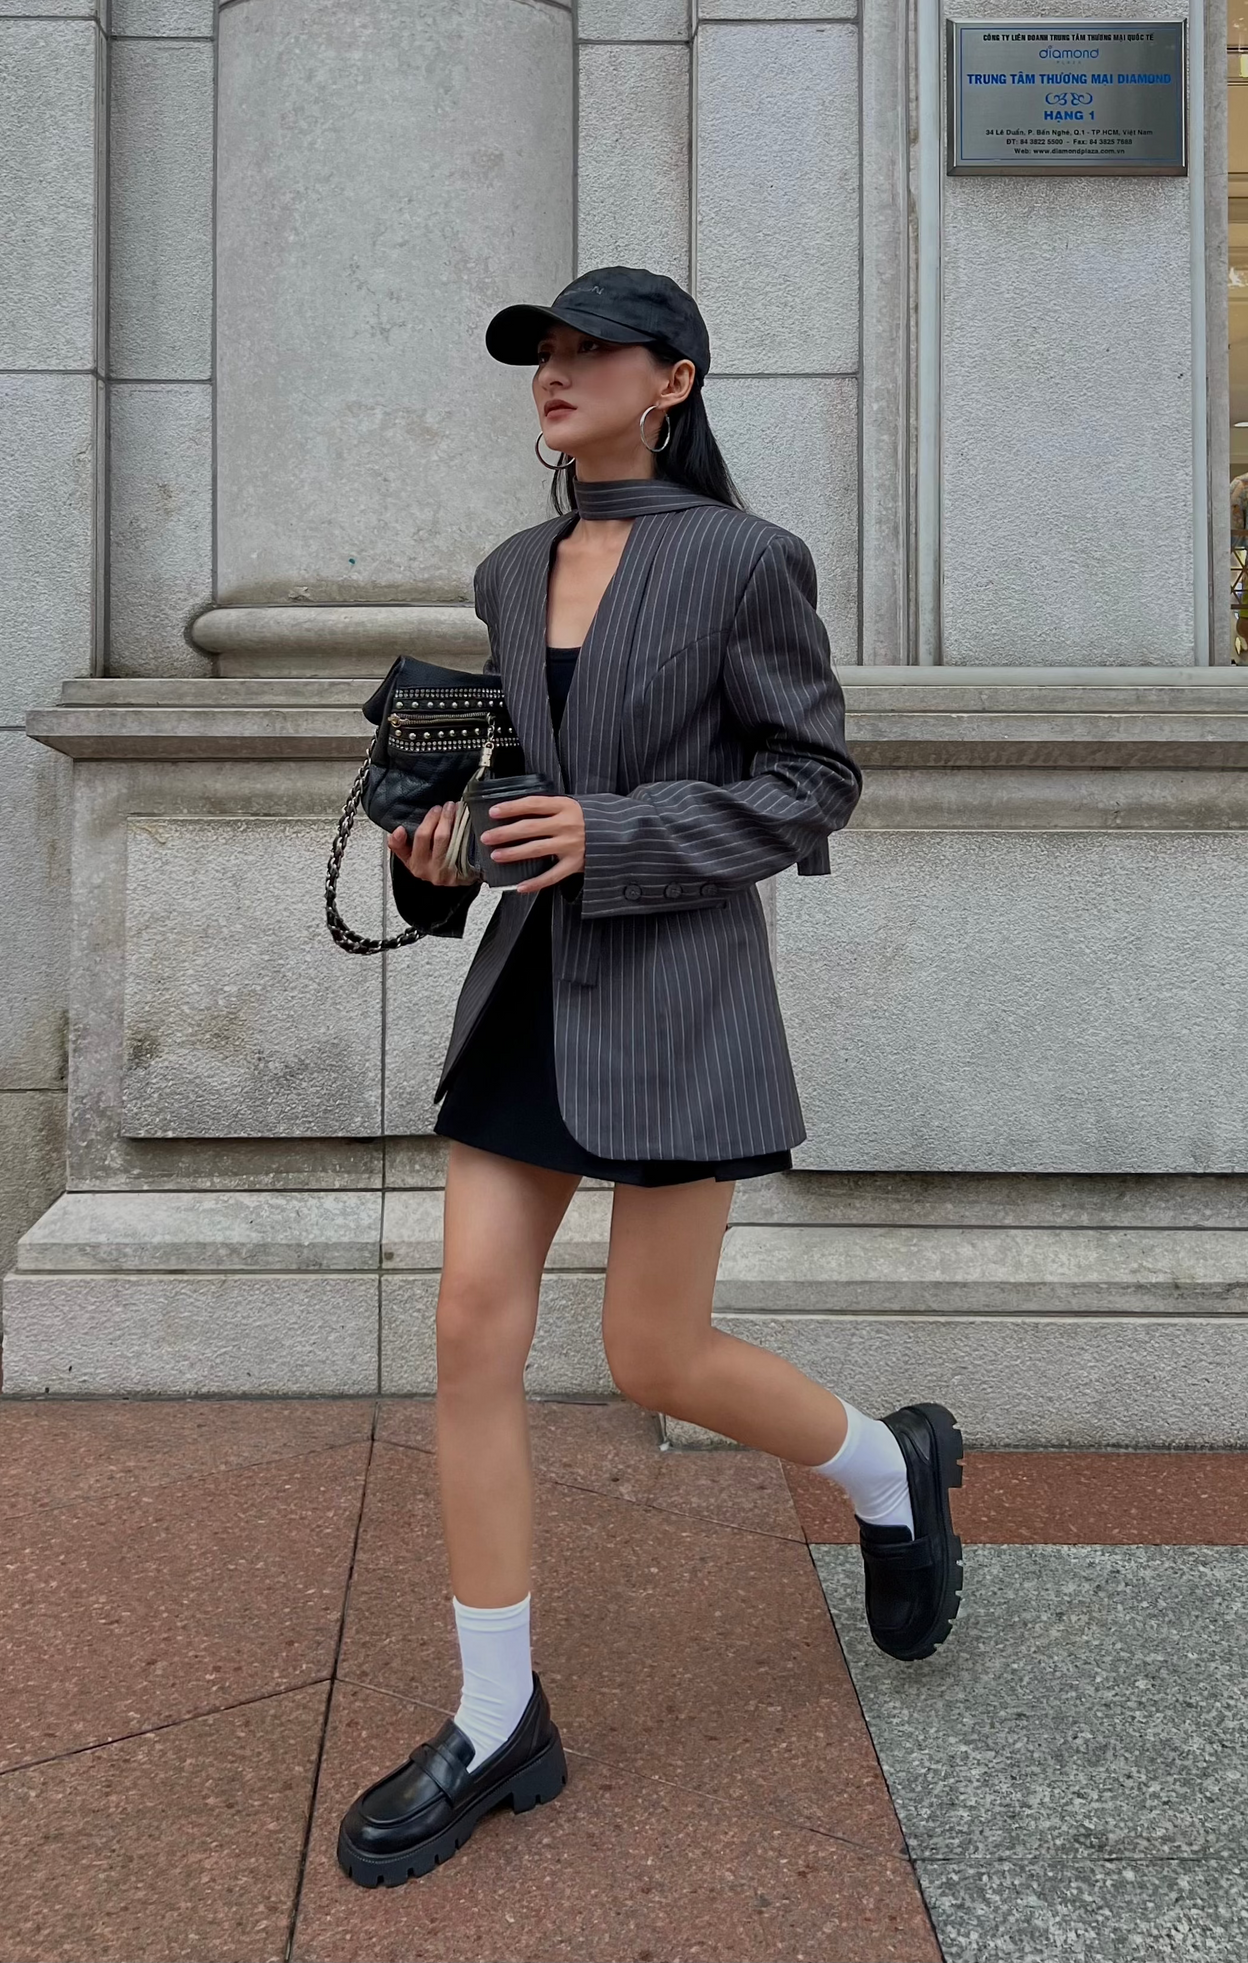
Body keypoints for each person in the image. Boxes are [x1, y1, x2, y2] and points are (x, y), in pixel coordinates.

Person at [335, 268, 965, 1890]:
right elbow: (519, 785)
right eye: (539, 354)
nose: (553, 373)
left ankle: (893, 1470)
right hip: (532, 989)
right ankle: (495, 1718)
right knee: (470, 1327)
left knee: (654, 1355)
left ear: (670, 380)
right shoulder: (506, 569)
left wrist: (616, 831)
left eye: (586, 351)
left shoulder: (747, 562)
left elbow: (812, 784)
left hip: (676, 995)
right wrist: (438, 847)